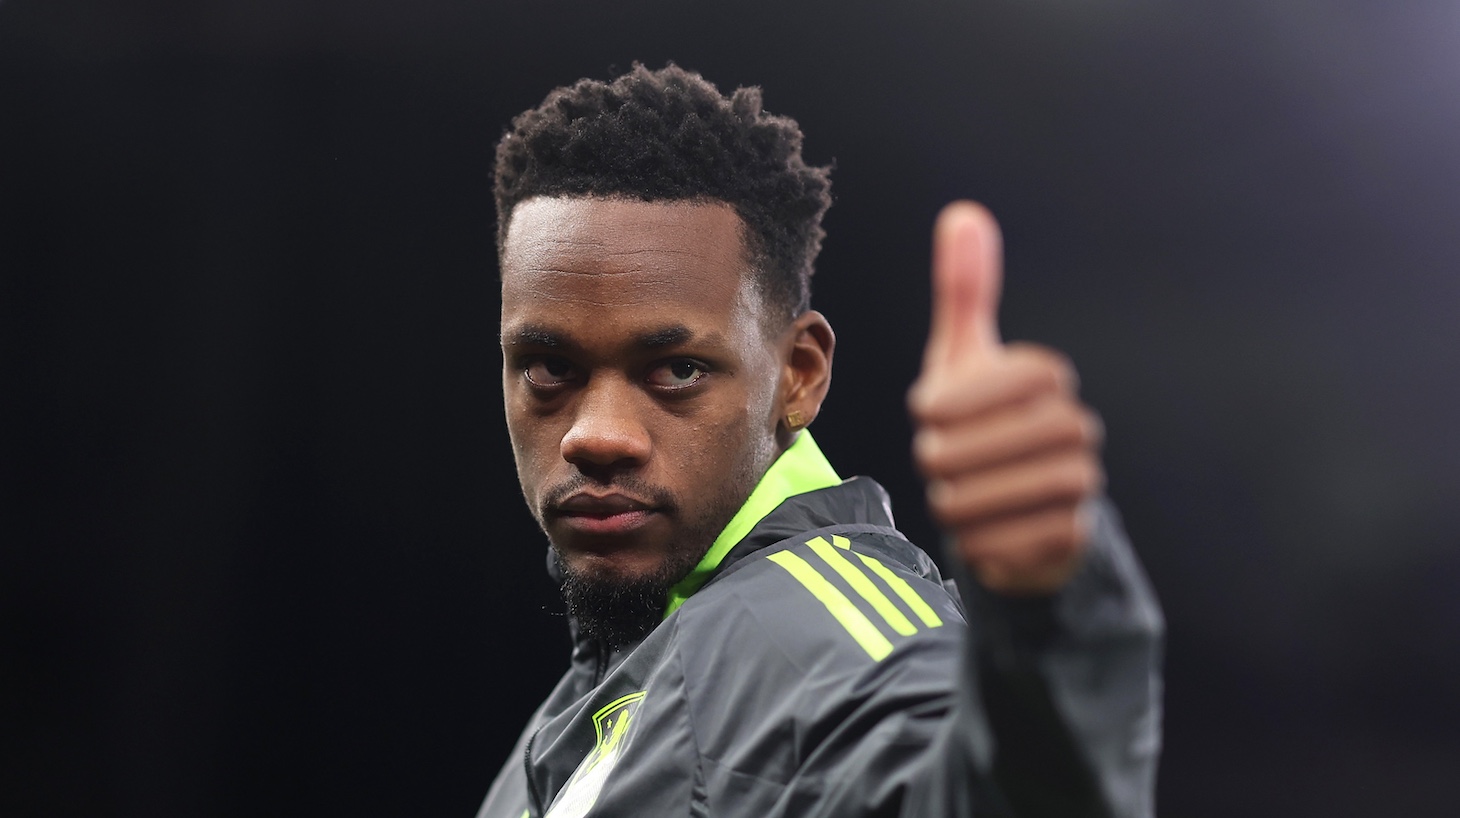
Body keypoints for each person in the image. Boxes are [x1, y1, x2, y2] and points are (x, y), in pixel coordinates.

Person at [478, 63, 1163, 818]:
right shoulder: (585, 703)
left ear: (798, 375)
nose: (596, 435)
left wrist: (1050, 614)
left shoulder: (832, 647)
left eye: (676, 369)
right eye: (549, 368)